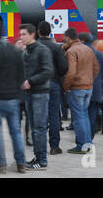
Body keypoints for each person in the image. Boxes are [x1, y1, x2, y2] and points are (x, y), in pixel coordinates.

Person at [0, 21, 26, 174]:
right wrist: (16, 91)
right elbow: (22, 74)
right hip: (12, 98)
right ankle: (21, 163)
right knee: (15, 131)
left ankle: (1, 164)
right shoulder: (15, 50)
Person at [20, 24, 53, 170]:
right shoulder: (26, 51)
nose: (21, 37)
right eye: (20, 34)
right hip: (29, 93)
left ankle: (42, 161)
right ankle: (37, 157)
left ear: (33, 34)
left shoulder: (42, 50)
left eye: (24, 34)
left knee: (39, 127)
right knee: (34, 127)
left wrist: (30, 81)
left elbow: (48, 71)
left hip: (40, 92)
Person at [62, 28, 99, 154]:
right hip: (88, 87)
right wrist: (89, 80)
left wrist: (66, 86)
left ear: (68, 38)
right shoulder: (88, 49)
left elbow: (71, 72)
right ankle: (88, 143)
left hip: (77, 88)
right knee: (84, 115)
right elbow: (96, 68)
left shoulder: (71, 51)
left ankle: (82, 145)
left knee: (78, 117)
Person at [37, 21, 68, 155]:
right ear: (50, 32)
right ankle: (54, 146)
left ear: (38, 32)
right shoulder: (56, 48)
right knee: (54, 114)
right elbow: (63, 67)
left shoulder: (34, 47)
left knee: (39, 115)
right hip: (54, 83)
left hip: (37, 84)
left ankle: (39, 145)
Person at [79, 33, 103, 140]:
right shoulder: (99, 53)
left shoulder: (81, 52)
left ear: (82, 40)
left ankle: (84, 138)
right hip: (96, 87)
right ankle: (90, 136)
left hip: (83, 86)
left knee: (82, 114)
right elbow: (102, 70)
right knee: (92, 113)